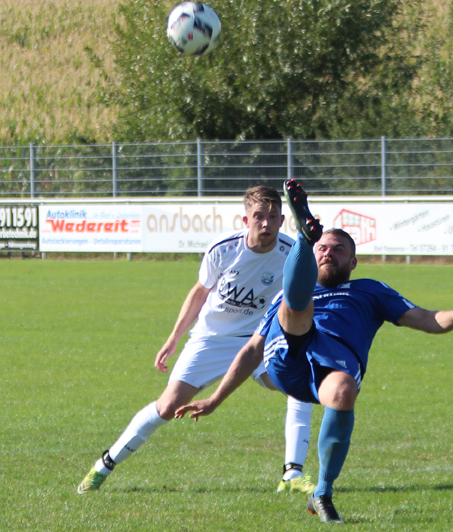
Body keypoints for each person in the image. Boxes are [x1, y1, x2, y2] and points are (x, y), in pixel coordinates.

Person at [176, 179, 453, 524]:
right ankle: (304, 235)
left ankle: (322, 494)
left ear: (353, 261)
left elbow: (428, 320)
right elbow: (253, 349)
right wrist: (216, 399)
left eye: (338, 249)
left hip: (329, 372)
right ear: (312, 257)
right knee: (297, 307)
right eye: (322, 247)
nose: (329, 252)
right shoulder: (286, 294)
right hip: (287, 361)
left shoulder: (370, 291)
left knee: (343, 391)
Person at [77, 185, 316, 495]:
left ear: (283, 220)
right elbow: (200, 291)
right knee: (168, 406)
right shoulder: (224, 249)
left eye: (273, 217)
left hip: (260, 338)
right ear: (246, 220)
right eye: (259, 216)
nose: (266, 223)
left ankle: (292, 474)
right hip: (211, 339)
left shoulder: (291, 254)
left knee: (298, 386)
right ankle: (104, 465)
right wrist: (173, 338)